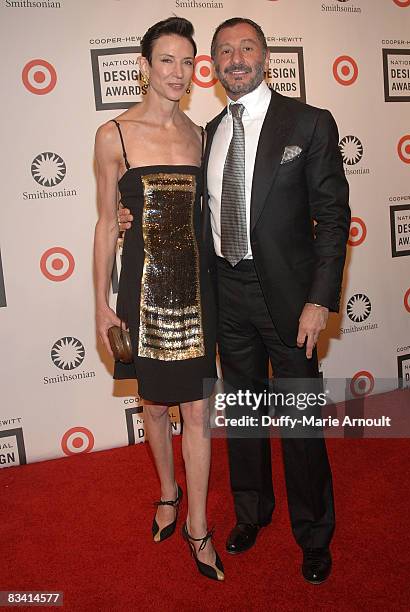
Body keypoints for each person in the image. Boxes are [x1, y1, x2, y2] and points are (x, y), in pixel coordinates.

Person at [119, 17, 350, 584]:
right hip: (224, 292)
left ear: (266, 56)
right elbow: (171, 200)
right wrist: (131, 216)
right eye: (224, 51)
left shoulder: (309, 121)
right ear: (214, 68)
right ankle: (251, 512)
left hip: (292, 303)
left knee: (298, 422)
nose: (235, 58)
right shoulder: (207, 131)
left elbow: (333, 218)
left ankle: (314, 533)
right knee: (243, 413)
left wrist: (321, 299)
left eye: (246, 47)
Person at [94, 17, 224, 582]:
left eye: (186, 61)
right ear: (144, 66)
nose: (177, 72)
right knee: (152, 404)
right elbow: (105, 223)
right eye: (165, 60)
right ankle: (166, 493)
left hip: (197, 294)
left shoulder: (201, 134)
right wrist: (101, 301)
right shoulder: (114, 135)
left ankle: (197, 525)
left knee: (197, 410)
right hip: (140, 297)